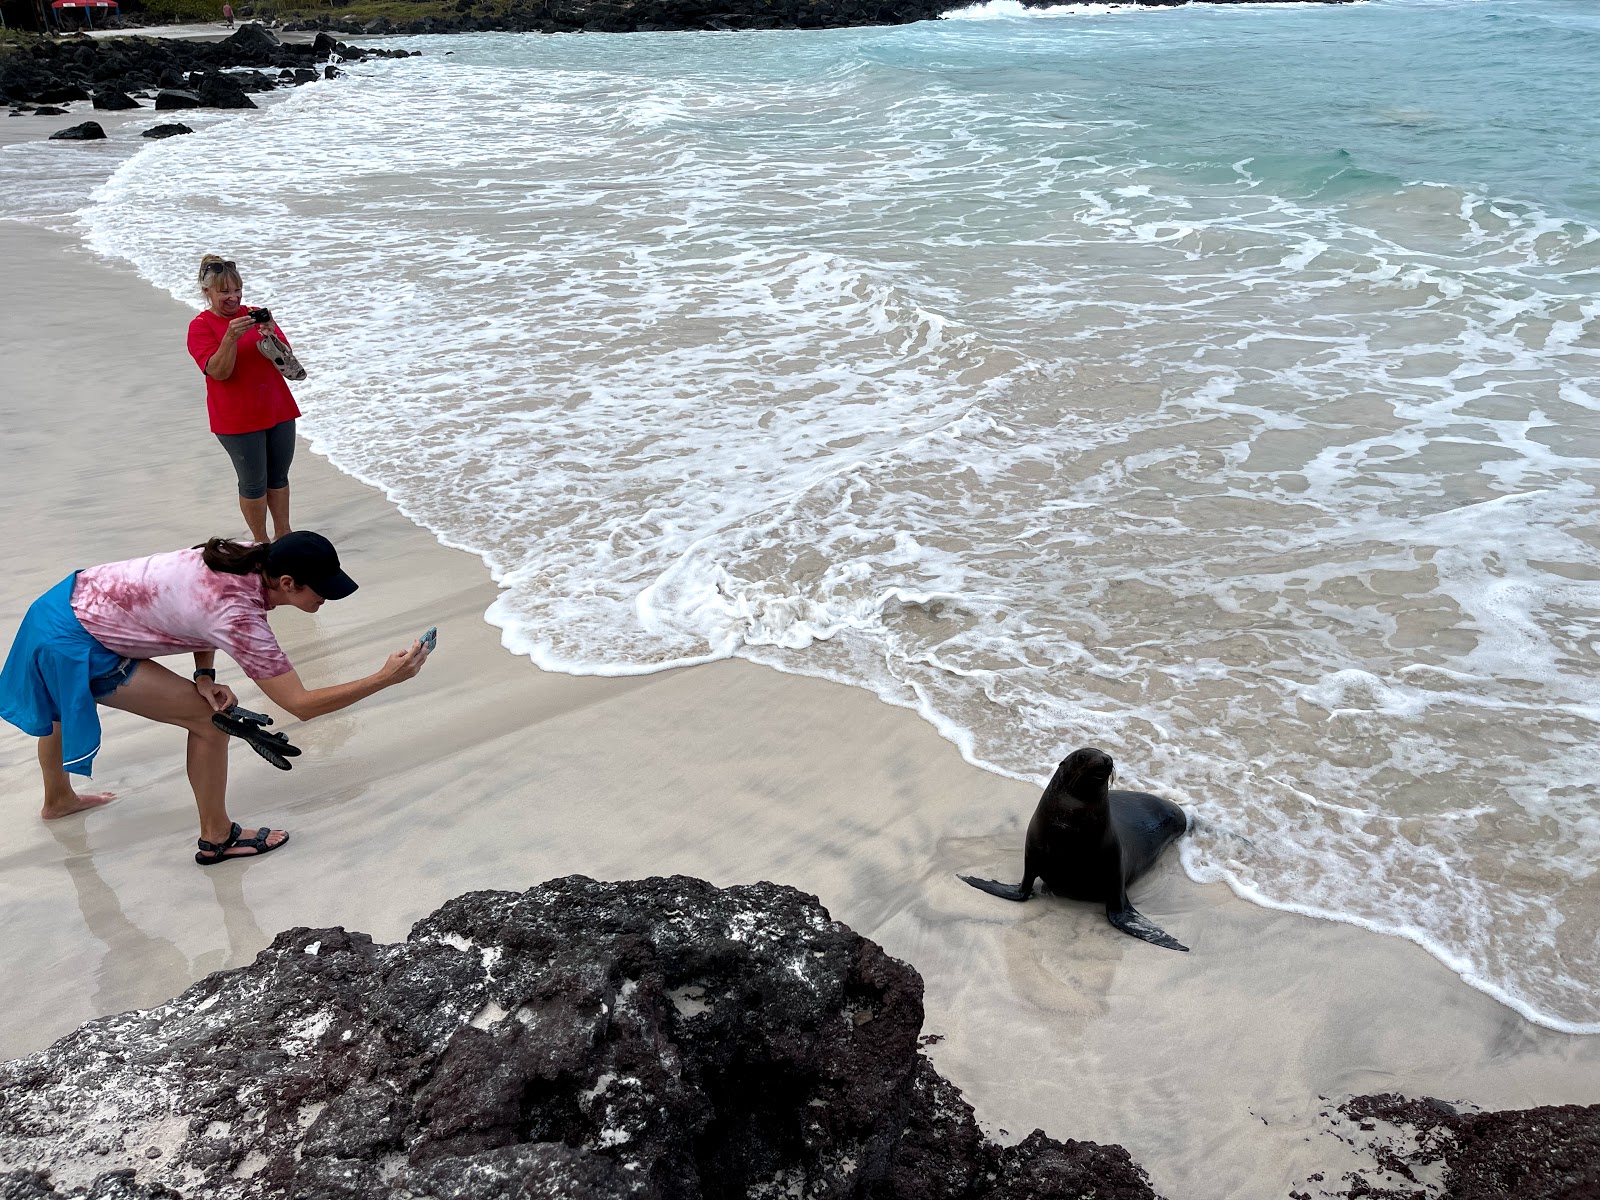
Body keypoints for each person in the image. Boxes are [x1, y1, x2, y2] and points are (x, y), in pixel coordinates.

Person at [0, 532, 430, 865]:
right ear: (286, 582)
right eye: (321, 590)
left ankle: (58, 800)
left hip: (58, 605)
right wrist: (383, 679)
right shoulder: (240, 618)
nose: (325, 598)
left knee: (56, 710)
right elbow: (299, 704)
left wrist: (204, 673)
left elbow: (194, 603)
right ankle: (217, 839)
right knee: (208, 722)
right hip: (76, 640)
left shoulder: (241, 553)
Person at [188, 256, 301, 545]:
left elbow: (289, 367)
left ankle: (284, 535)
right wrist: (229, 338)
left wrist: (271, 335)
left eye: (237, 289)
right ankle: (261, 542)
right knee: (253, 484)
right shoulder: (200, 326)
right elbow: (219, 372)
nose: (233, 297)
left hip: (277, 408)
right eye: (224, 291)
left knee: (279, 477)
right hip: (236, 418)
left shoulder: (252, 314)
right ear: (207, 292)